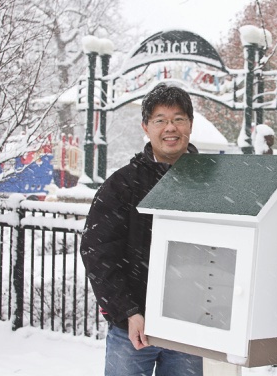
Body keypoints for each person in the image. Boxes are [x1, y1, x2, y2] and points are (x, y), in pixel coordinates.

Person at [80, 83, 203, 376]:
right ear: (146, 127)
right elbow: (97, 251)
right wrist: (128, 312)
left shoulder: (210, 183)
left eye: (178, 119)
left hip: (192, 331)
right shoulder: (122, 185)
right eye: (160, 120)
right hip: (133, 329)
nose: (170, 128)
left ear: (190, 124)